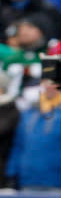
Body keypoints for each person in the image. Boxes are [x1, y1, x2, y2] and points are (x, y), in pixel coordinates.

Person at [5, 54, 61, 190]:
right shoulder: (28, 113)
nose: (50, 86)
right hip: (27, 181)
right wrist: (12, 173)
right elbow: (18, 145)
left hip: (55, 183)